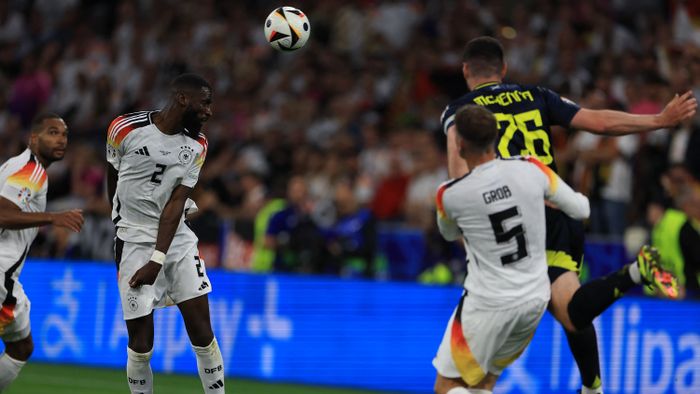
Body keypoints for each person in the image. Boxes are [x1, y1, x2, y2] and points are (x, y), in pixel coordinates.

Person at [440, 37, 694, 394]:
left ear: (465, 70)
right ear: (505, 68)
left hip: (508, 220)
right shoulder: (537, 95)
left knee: (461, 377)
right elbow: (600, 123)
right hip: (555, 208)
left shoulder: (460, 111)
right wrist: (660, 119)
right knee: (572, 312)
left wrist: (471, 239)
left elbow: (460, 178)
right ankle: (593, 386)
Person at [433, 104, 590, 394]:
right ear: (495, 137)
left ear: (460, 144)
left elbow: (449, 233)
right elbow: (582, 209)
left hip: (487, 304)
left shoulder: (450, 195)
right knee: (484, 384)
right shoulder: (531, 168)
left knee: (447, 386)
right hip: (533, 300)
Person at [106, 74, 224, 394]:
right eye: (206, 103)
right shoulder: (125, 128)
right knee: (141, 345)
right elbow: (112, 173)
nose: (209, 111)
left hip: (177, 239)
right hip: (132, 240)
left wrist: (158, 259)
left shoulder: (198, 145)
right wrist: (119, 221)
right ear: (183, 99)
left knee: (202, 333)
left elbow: (176, 204)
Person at [0, 113, 84, 391]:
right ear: (33, 139)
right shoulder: (30, 170)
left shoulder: (16, 166)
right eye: (52, 133)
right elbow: (2, 214)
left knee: (22, 345)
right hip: (1, 274)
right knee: (20, 345)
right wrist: (53, 218)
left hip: (7, 277)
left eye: (64, 134)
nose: (61, 139)